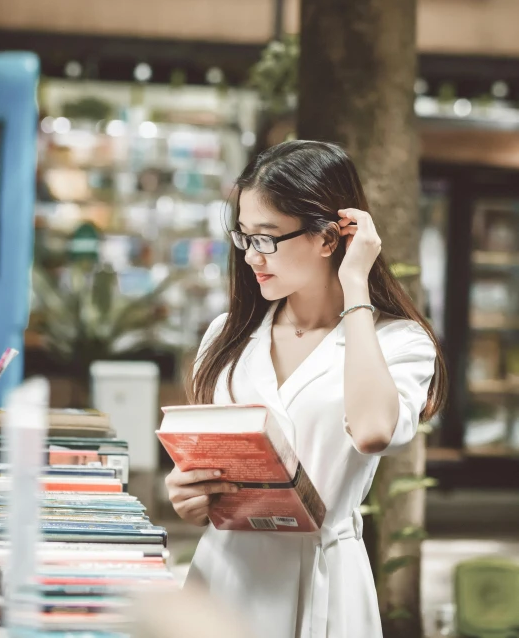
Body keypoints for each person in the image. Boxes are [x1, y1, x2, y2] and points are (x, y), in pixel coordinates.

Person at [165, 141, 448, 638]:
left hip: (325, 578)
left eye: (268, 238)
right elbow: (210, 465)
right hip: (227, 575)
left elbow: (373, 431)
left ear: (327, 237)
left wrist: (355, 285)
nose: (253, 256)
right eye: (245, 237)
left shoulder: (398, 341)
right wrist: (189, 495)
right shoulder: (226, 335)